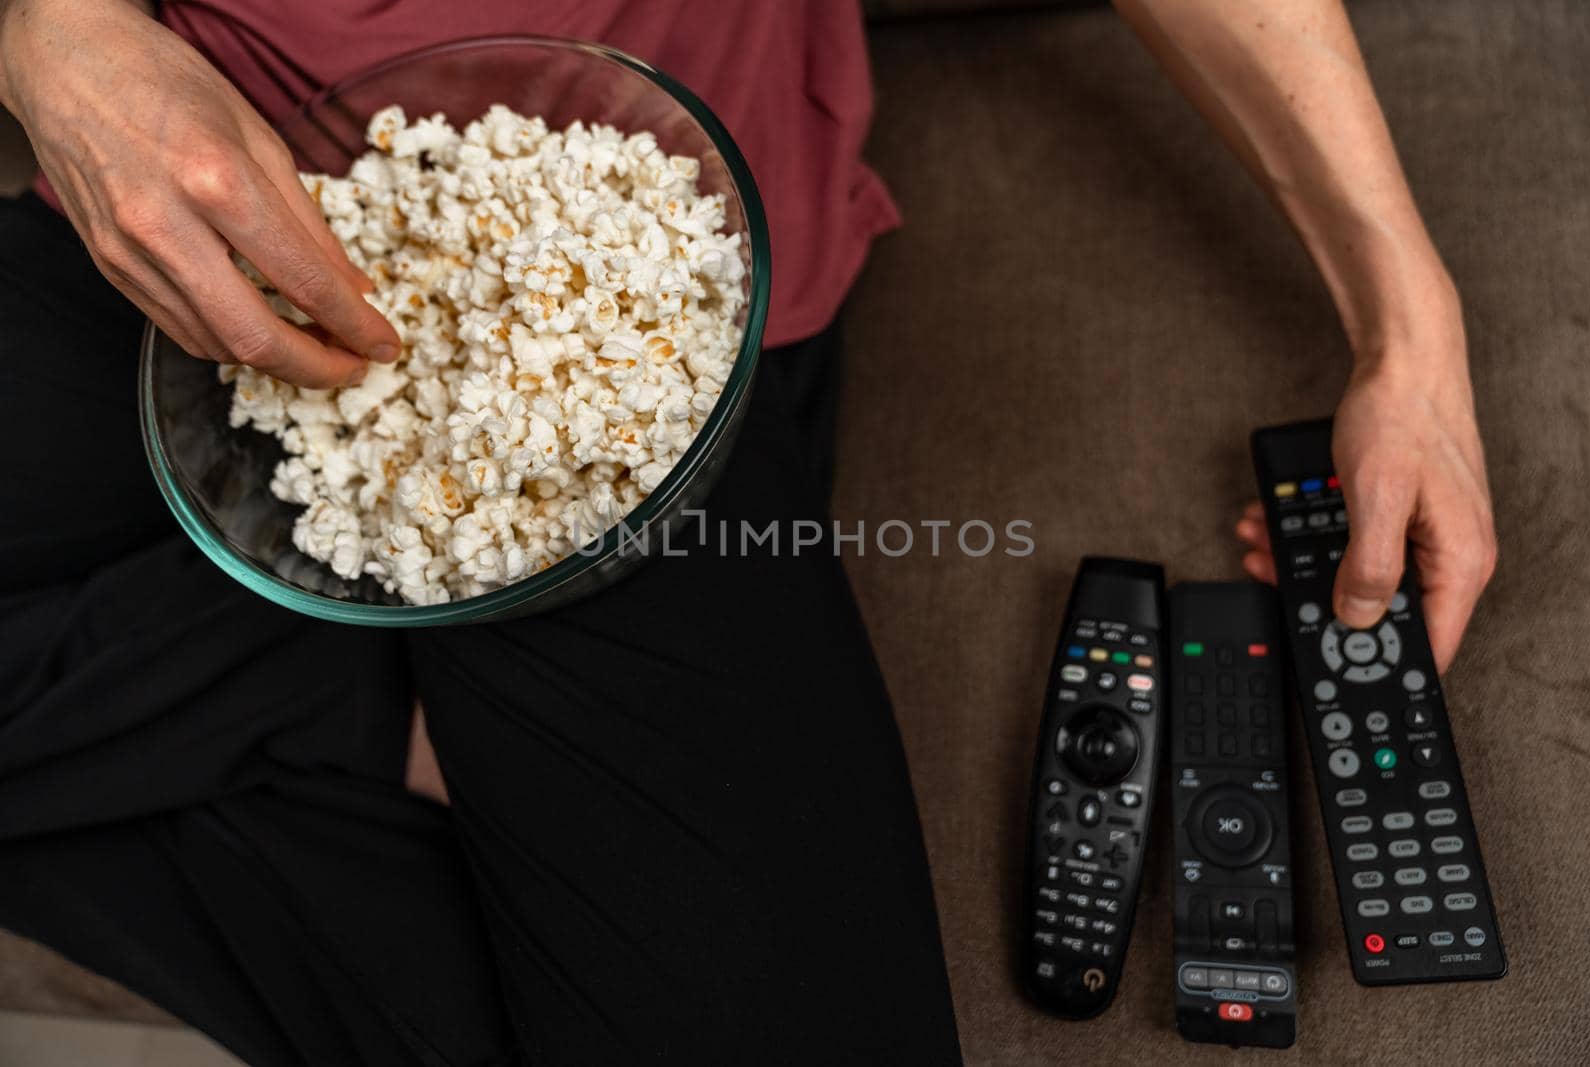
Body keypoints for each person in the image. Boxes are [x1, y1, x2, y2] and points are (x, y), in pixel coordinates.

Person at [0, 0, 1495, 1064]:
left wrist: (1406, 325)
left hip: (634, 278)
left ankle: (336, 680)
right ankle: (347, 695)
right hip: (208, 206)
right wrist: (50, 37)